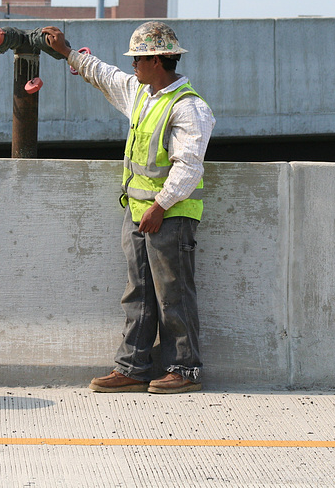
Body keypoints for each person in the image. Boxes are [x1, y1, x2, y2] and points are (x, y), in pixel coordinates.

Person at [42, 22, 215, 394]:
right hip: (138, 213)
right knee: (138, 293)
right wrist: (68, 53)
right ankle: (133, 368)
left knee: (174, 294)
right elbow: (105, 76)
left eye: (138, 58)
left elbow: (188, 167)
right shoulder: (142, 93)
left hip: (169, 215)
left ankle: (185, 370)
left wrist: (160, 206)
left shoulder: (190, 108)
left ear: (157, 60)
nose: (133, 64)